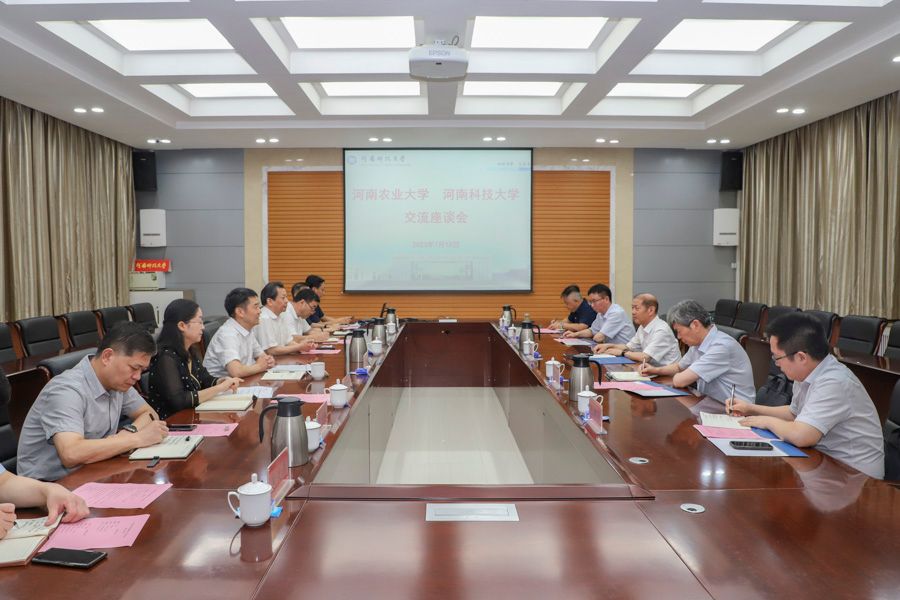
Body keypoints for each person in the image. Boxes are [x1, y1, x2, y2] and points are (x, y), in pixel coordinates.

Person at [731, 312, 884, 479]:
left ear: (801, 357)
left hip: (856, 477)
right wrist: (750, 409)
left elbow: (801, 435)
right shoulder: (807, 372)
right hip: (824, 463)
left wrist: (765, 421)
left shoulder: (834, 382)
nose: (776, 363)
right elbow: (794, 413)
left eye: (777, 357)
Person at [16, 322, 169, 481]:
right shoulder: (67, 390)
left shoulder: (117, 382)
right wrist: (136, 439)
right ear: (107, 357)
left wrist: (128, 433)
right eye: (134, 368)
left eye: (142, 371)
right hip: (50, 486)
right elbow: (71, 453)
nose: (137, 377)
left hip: (94, 472)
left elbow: (149, 414)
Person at [641, 299, 755, 405]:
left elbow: (680, 381)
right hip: (710, 402)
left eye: (679, 331)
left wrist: (677, 377)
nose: (679, 337)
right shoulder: (698, 343)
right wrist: (655, 370)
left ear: (695, 325)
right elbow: (679, 367)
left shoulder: (721, 347)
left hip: (736, 411)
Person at [146, 299, 242, 419]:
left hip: (193, 415)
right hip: (173, 422)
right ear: (182, 325)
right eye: (200, 322)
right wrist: (219, 388)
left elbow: (205, 379)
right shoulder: (165, 358)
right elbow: (179, 401)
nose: (203, 327)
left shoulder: (189, 350)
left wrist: (220, 381)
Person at [203, 287, 276, 378]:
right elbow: (236, 372)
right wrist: (260, 366)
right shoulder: (227, 334)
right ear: (240, 312)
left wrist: (268, 361)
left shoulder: (247, 329)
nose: (259, 311)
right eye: (256, 307)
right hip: (221, 385)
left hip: (243, 381)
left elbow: (262, 357)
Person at [594, 293, 681, 366]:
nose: (633, 312)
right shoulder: (642, 326)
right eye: (632, 308)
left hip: (668, 376)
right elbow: (629, 347)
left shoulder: (661, 330)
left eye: (637, 308)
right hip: (651, 370)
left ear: (651, 310)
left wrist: (622, 353)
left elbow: (645, 357)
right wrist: (608, 346)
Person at [254, 281, 316, 355]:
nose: (286, 301)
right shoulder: (264, 318)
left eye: (286, 297)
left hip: (282, 359)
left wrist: (304, 346)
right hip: (272, 360)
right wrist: (299, 347)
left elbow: (288, 342)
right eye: (283, 298)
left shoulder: (281, 315)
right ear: (270, 301)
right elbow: (272, 350)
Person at [563, 283, 635, 344]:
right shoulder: (600, 313)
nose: (592, 305)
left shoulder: (616, 313)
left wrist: (591, 337)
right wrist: (575, 334)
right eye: (590, 302)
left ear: (606, 299)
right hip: (611, 350)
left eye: (594, 301)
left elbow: (599, 337)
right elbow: (592, 331)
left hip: (625, 352)